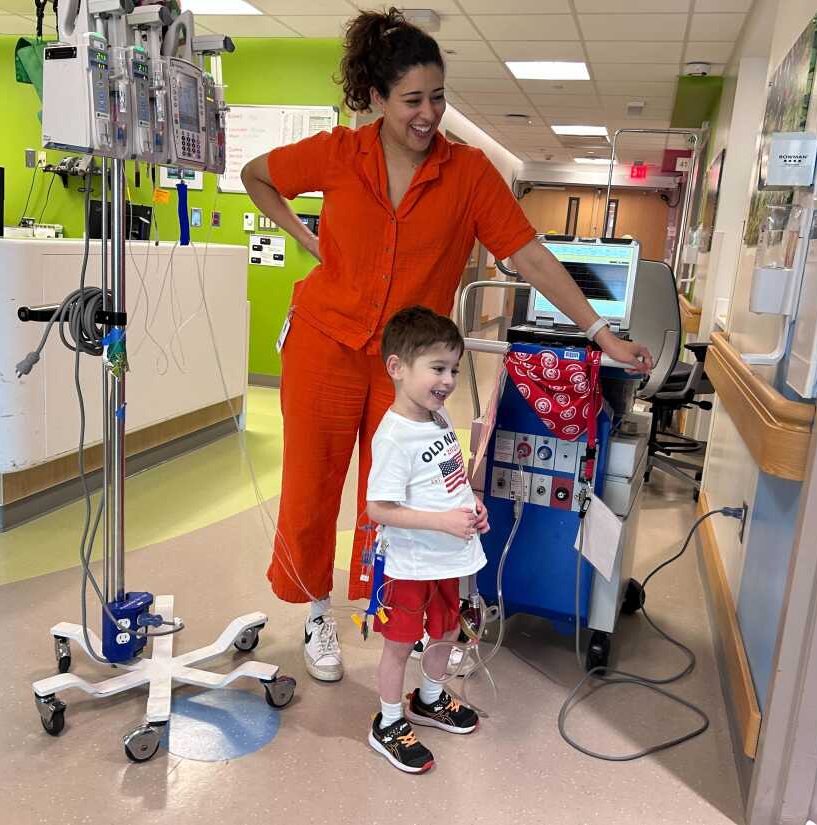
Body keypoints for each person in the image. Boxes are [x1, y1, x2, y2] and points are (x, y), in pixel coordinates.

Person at [240, 7, 652, 684]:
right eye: (412, 100)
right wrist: (306, 238)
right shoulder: (338, 154)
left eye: (437, 96)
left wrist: (600, 331)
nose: (428, 113)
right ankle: (317, 612)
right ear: (378, 98)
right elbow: (256, 175)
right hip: (325, 344)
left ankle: (398, 614)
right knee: (312, 488)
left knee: (406, 493)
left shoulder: (469, 173)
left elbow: (531, 255)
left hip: (405, 367)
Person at [364, 306, 486, 773]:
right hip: (412, 563)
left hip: (448, 558)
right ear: (397, 367)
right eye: (438, 368)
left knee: (446, 631)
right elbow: (379, 509)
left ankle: (429, 699)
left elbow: (448, 478)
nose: (449, 380)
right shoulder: (395, 437)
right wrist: (442, 523)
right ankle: (389, 722)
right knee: (399, 644)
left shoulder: (438, 417)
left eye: (453, 369)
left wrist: (473, 504)